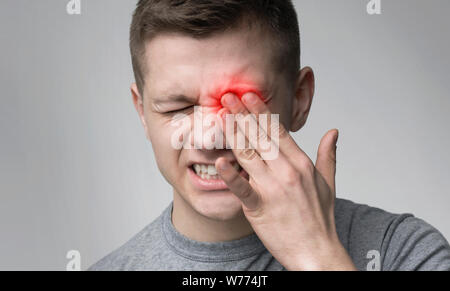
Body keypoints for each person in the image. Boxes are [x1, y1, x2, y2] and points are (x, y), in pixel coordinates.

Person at [89, 0, 450, 271]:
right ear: (142, 111)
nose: (210, 137)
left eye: (241, 104)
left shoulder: (401, 251)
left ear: (299, 99)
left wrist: (317, 255)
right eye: (176, 108)